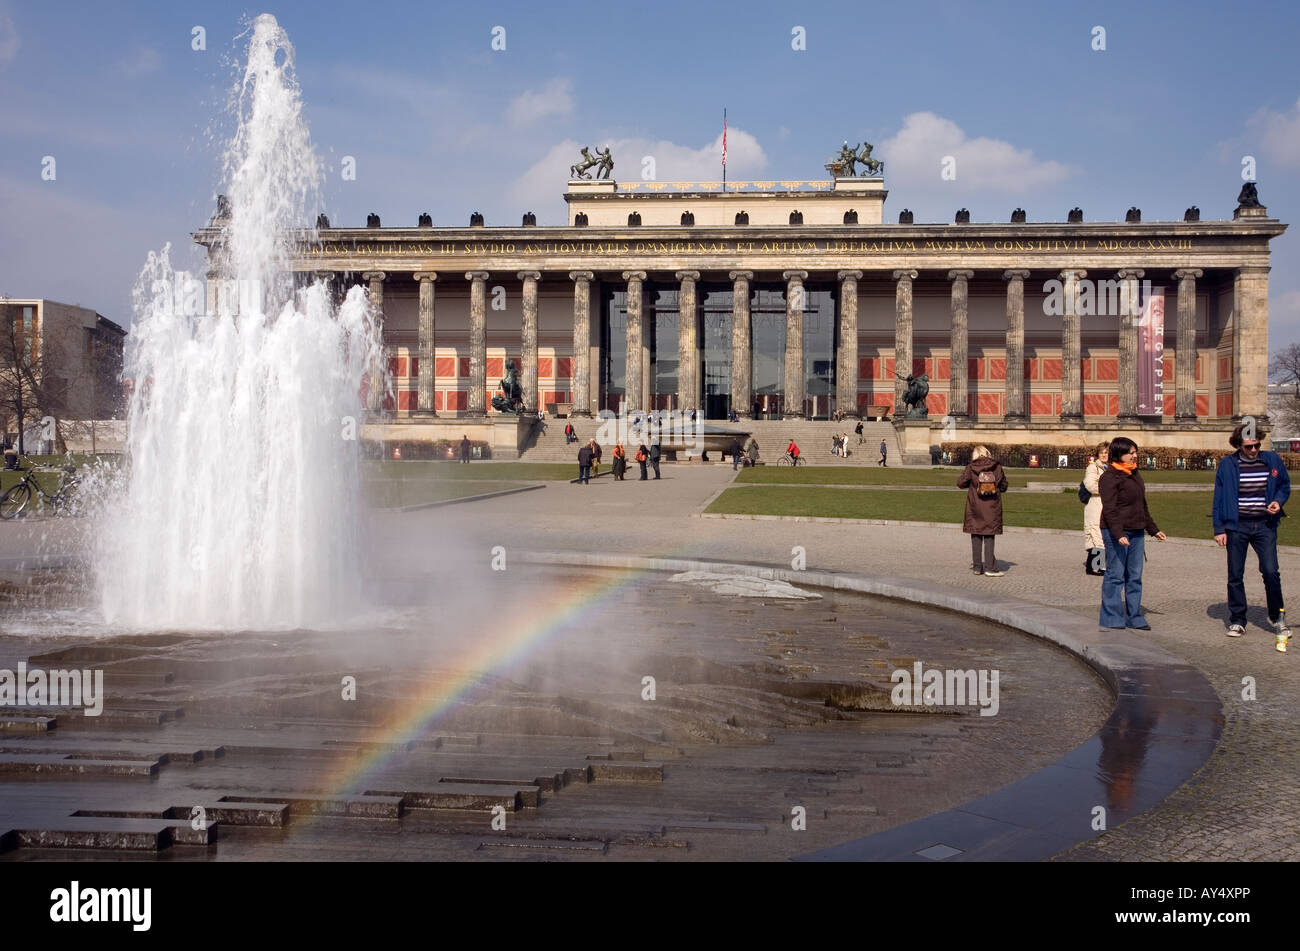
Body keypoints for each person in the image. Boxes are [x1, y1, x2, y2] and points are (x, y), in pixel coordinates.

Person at [1213, 425, 1291, 651]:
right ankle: (1238, 619)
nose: (1254, 450)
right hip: (1237, 526)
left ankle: (1277, 617)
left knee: (1270, 570)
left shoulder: (1272, 459)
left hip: (1265, 524)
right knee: (1235, 574)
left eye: (1257, 445)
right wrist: (1219, 529)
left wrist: (1278, 500)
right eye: (1249, 446)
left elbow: (1284, 486)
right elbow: (1218, 498)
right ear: (1238, 445)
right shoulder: (1227, 465)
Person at [1098, 437, 1167, 630]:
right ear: (1119, 454)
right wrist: (1119, 533)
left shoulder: (1134, 474)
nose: (1135, 456)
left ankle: (1134, 615)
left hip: (1136, 531)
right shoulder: (1109, 477)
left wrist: (1153, 529)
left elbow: (1141, 506)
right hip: (1116, 531)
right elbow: (1109, 509)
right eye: (1131, 452)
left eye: (1135, 452)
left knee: (1135, 576)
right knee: (1115, 574)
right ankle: (1111, 616)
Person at [958, 445, 1009, 576]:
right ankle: (990, 568)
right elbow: (1004, 485)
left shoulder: (971, 467)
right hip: (991, 506)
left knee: (975, 535)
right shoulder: (996, 466)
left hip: (975, 506)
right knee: (989, 536)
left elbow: (960, 483)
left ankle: (977, 567)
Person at [1083, 443, 1109, 575]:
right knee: (1096, 535)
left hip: (1106, 506)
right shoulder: (1093, 468)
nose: (1104, 455)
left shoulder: (1109, 468)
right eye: (1102, 452)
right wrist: (1109, 489)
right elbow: (1090, 485)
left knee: (1102, 536)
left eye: (1107, 452)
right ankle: (1097, 566)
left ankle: (1091, 565)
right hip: (1095, 505)